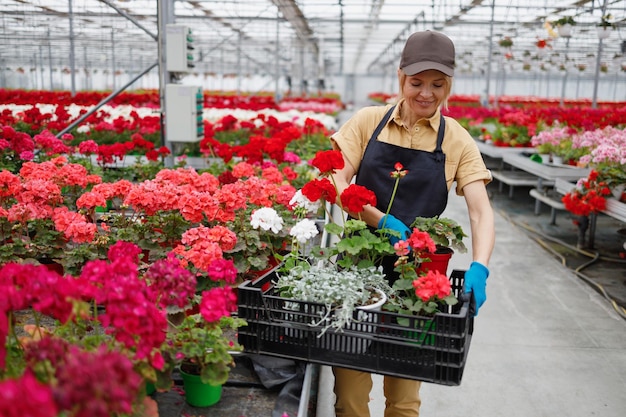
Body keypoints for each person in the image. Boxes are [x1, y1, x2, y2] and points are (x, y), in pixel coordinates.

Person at [329, 30, 495, 417]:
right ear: (401, 76)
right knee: (351, 394)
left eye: (438, 85)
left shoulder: (455, 139)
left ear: (448, 85)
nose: (426, 93)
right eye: (417, 82)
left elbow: (479, 210)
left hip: (417, 277)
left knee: (404, 398)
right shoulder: (369, 121)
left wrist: (481, 264)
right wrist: (376, 217)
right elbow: (334, 177)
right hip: (359, 271)